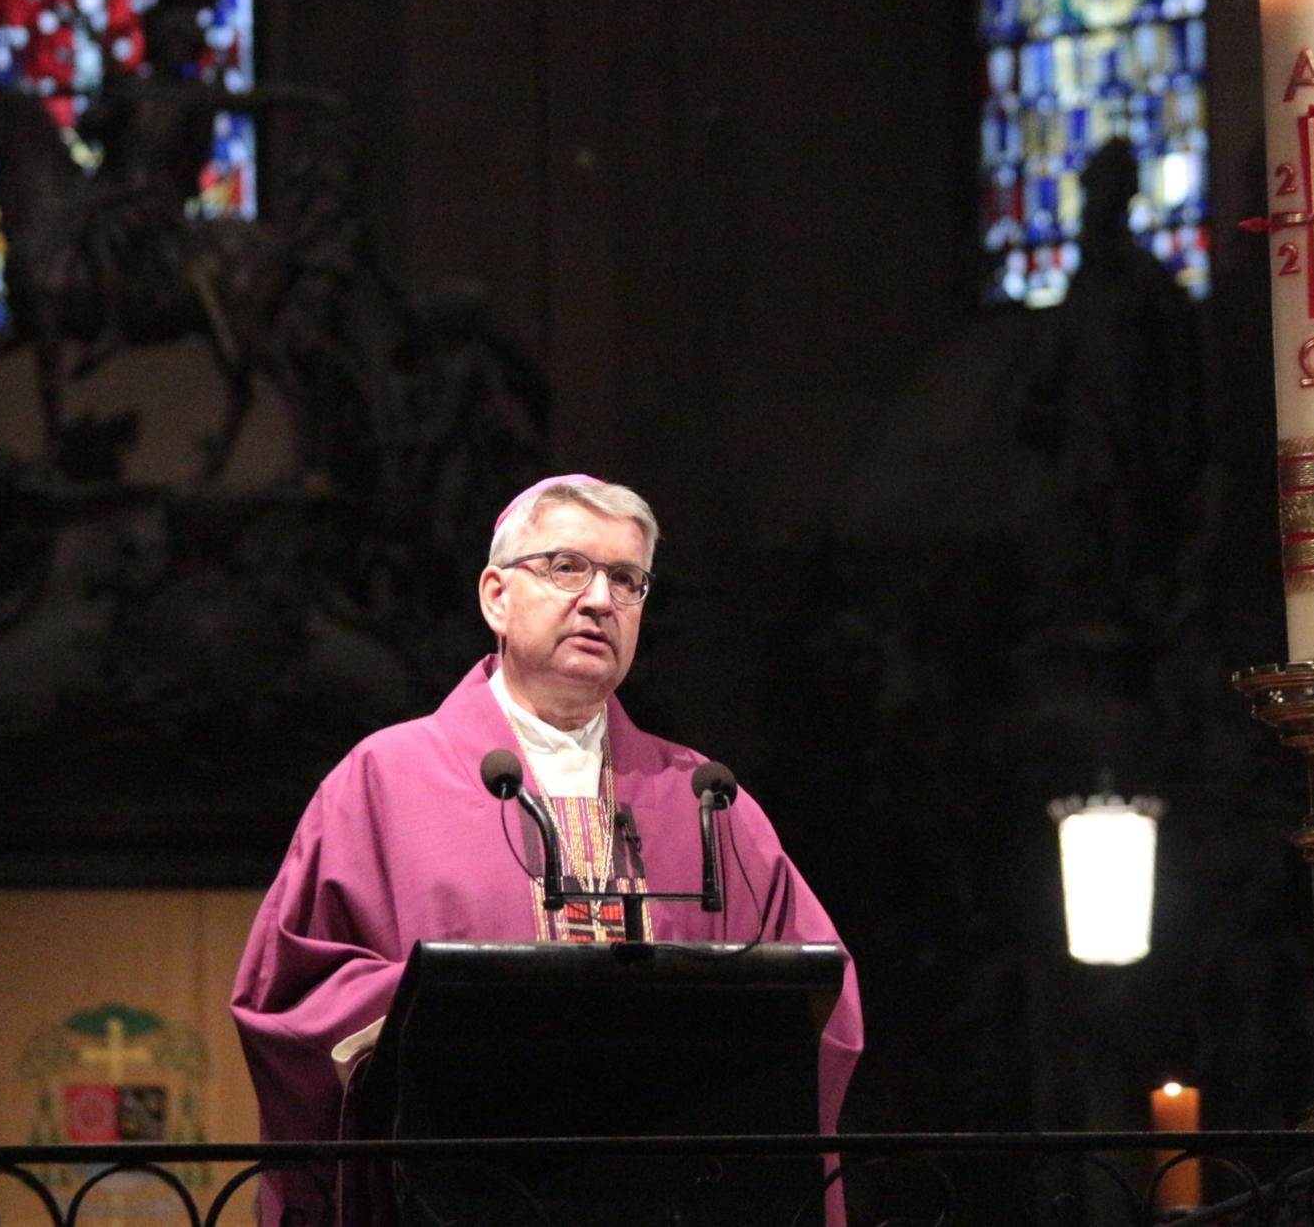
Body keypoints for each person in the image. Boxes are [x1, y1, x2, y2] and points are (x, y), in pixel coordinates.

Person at [230, 474, 863, 1221]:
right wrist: (439, 1009)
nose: (599, 599)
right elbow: (289, 998)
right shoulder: (385, 780)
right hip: (456, 1193)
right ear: (496, 596)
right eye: (567, 567)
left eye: (627, 580)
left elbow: (821, 1005)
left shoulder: (703, 798)